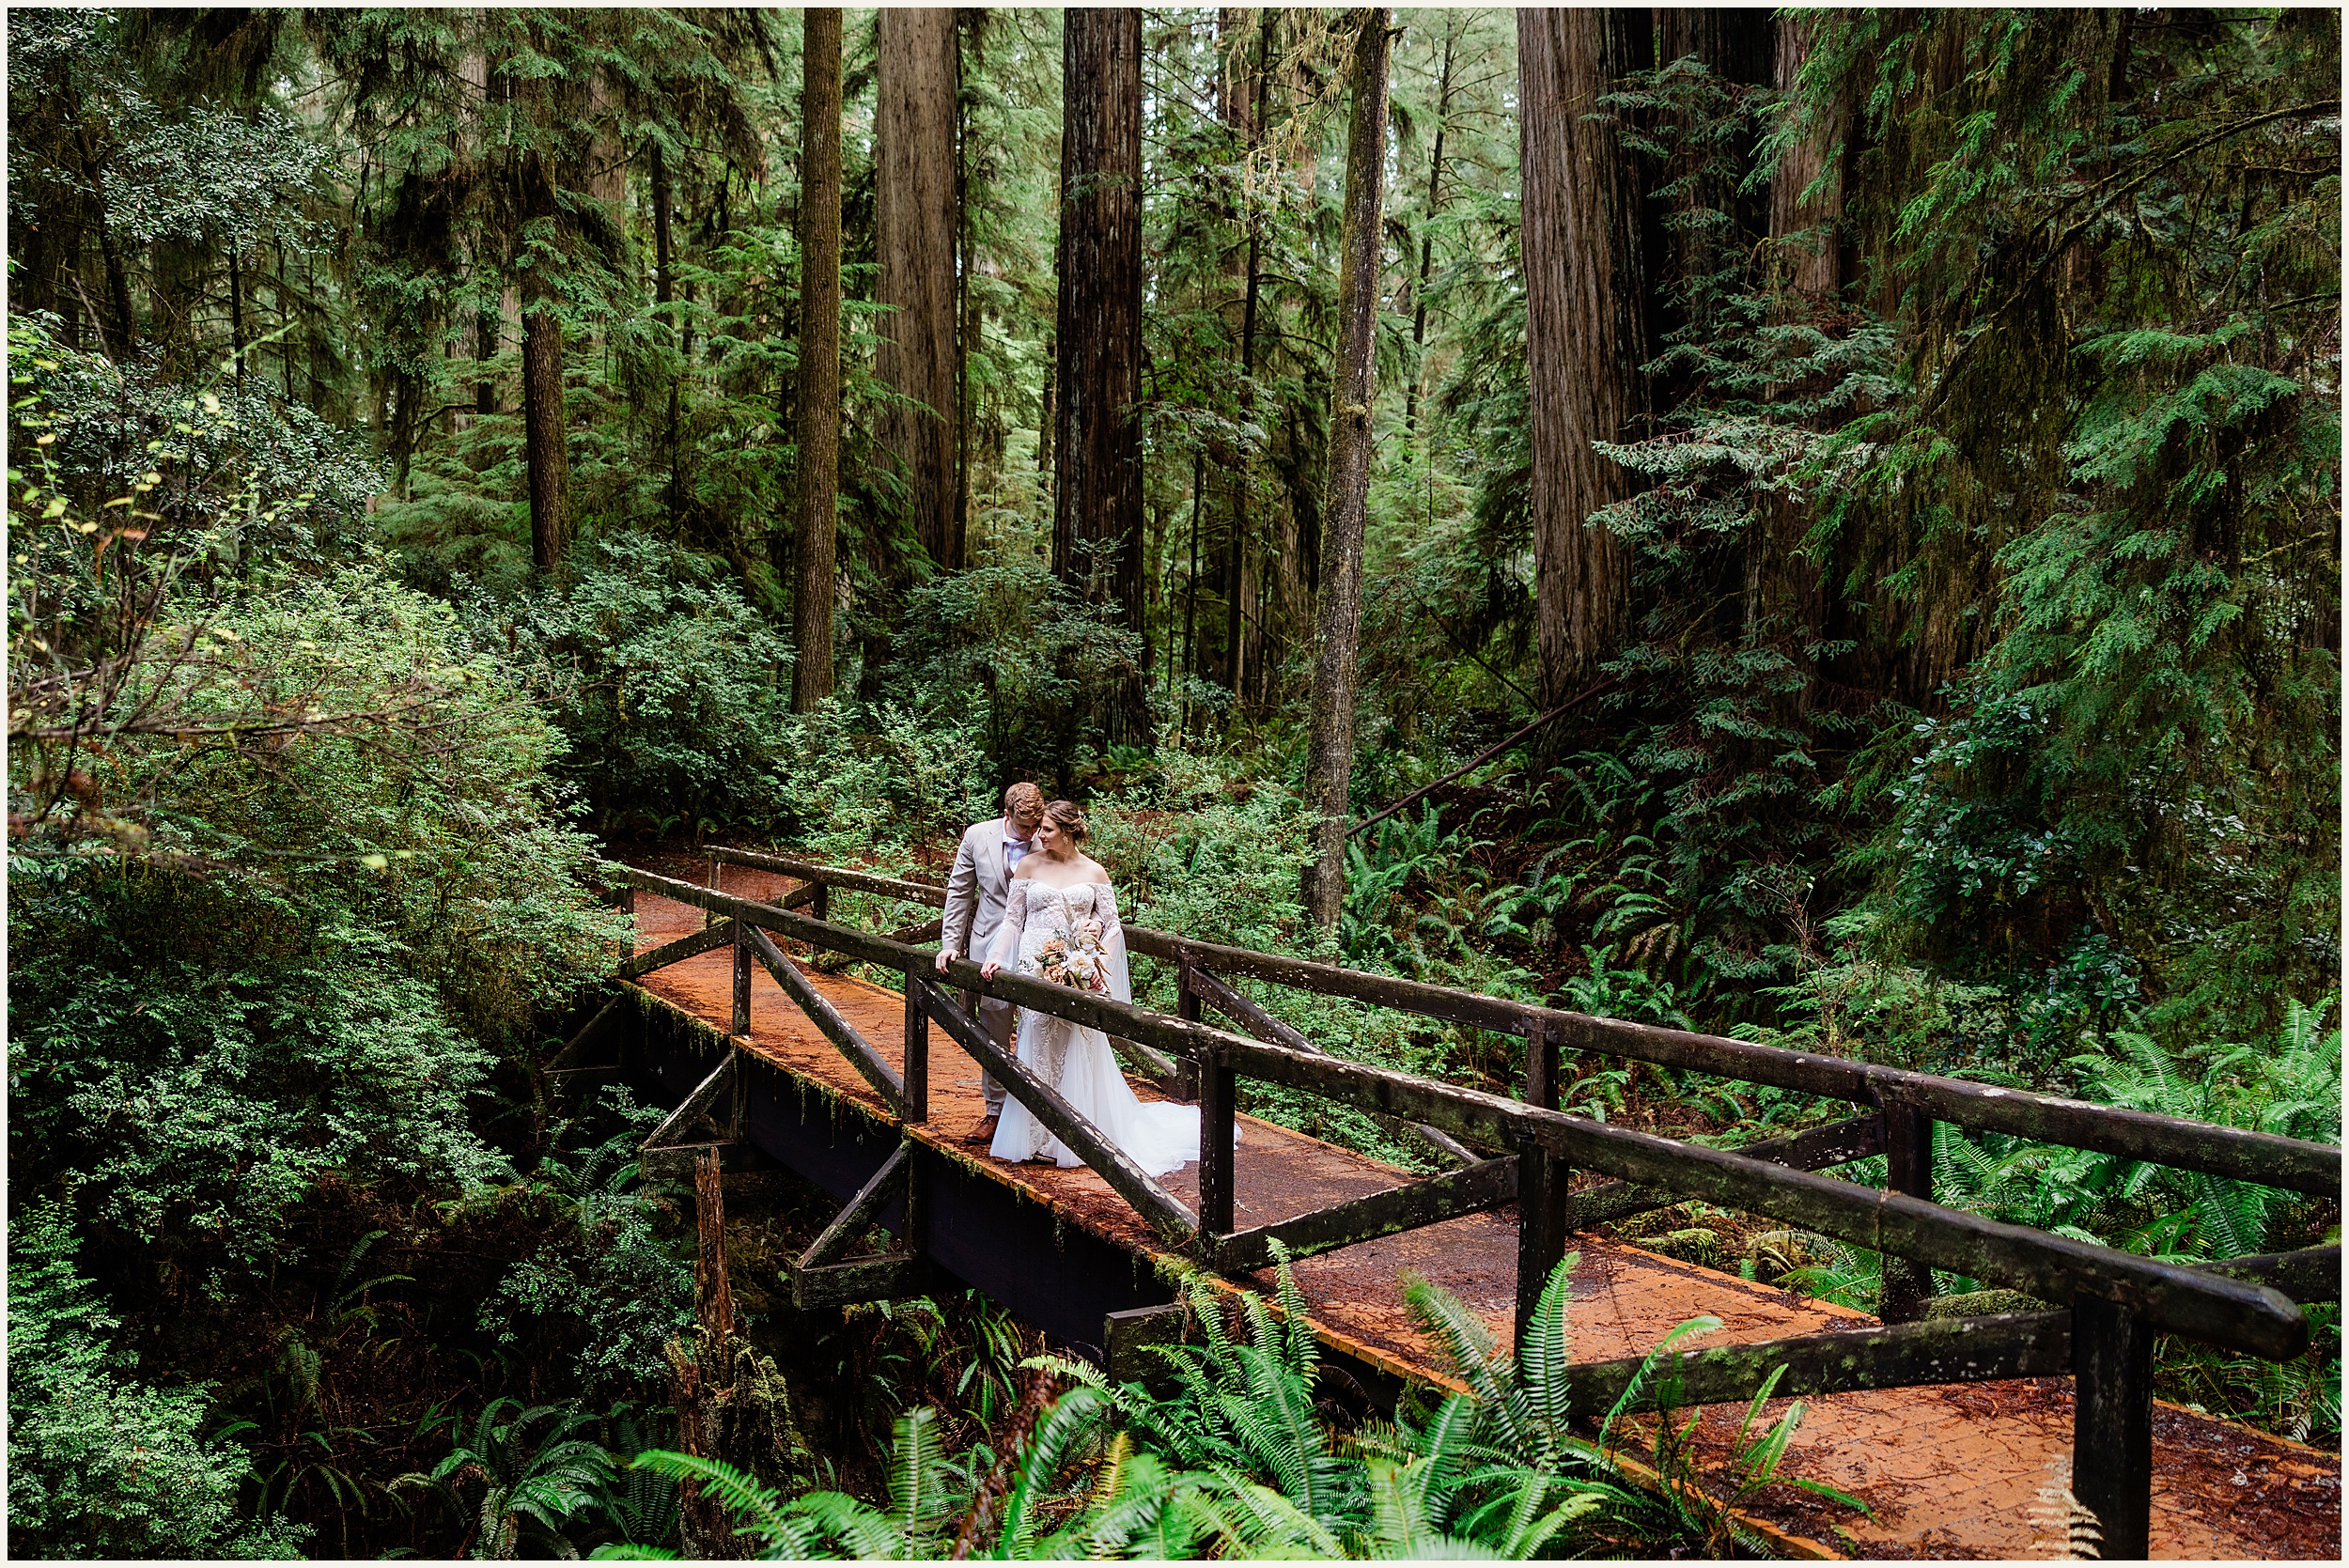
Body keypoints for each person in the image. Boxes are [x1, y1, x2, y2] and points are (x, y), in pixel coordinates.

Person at [981, 800, 1205, 1177]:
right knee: (1036, 1041)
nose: (1039, 835)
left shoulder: (1094, 871)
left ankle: (1073, 1136)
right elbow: (1013, 920)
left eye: (1048, 830)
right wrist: (997, 958)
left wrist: (1097, 965)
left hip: (1078, 971)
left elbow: (1113, 925)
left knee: (1076, 1045)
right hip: (1035, 970)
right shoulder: (1029, 865)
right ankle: (1034, 1135)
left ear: (1067, 832)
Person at [939, 781, 1045, 1144]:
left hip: (1039, 946)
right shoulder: (976, 837)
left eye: (1036, 826)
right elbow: (960, 891)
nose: (1031, 833)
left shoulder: (1049, 837)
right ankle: (995, 1112)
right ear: (1006, 814)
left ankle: (1041, 1113)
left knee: (1040, 1029)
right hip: (989, 946)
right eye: (1024, 827)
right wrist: (950, 944)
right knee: (995, 1030)